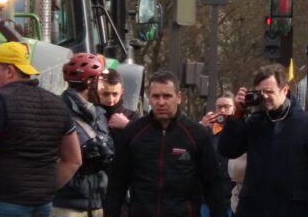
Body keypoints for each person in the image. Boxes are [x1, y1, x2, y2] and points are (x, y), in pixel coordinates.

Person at [0, 41, 82, 217]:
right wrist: (42, 190)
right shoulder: (57, 103)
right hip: (41, 205)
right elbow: (74, 160)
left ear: (10, 71)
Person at [218, 64, 308, 217]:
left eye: (269, 91)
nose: (264, 97)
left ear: (285, 90)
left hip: (293, 210)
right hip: (253, 209)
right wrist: (237, 115)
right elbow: (227, 149)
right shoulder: (254, 122)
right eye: (260, 92)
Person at [104, 70, 230, 217]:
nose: (161, 102)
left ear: (179, 97)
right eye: (156, 96)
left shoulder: (196, 135)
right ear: (149, 98)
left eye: (167, 96)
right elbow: (117, 183)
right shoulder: (133, 132)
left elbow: (213, 185)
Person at [54, 53, 114, 217]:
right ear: (90, 82)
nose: (104, 86)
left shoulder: (99, 113)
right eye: (101, 81)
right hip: (67, 206)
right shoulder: (58, 111)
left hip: (96, 204)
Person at [200, 93, 238, 216]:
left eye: (226, 106)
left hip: (230, 198)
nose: (222, 110)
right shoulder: (206, 131)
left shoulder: (240, 131)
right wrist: (201, 128)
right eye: (219, 107)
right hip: (206, 199)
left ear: (234, 108)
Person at [97, 70, 139, 141]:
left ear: (122, 92)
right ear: (97, 91)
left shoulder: (132, 117)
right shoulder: (90, 115)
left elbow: (145, 142)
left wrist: (127, 125)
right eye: (105, 94)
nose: (110, 100)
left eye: (115, 94)